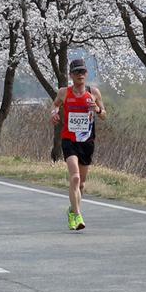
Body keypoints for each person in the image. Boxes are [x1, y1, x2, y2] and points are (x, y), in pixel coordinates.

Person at [52, 58, 106, 231]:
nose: (80, 75)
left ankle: (72, 210)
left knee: (81, 184)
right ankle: (77, 215)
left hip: (87, 142)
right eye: (76, 72)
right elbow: (55, 105)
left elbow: (104, 114)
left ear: (86, 74)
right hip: (69, 140)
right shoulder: (64, 92)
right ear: (71, 75)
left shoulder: (93, 92)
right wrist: (54, 113)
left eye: (82, 72)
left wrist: (97, 109)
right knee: (74, 177)